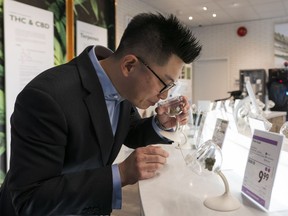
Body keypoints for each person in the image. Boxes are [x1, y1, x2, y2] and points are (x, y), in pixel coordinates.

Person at [0, 12, 201, 215]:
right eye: (164, 83)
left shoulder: (122, 88)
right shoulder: (47, 97)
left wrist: (160, 123)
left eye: (171, 85)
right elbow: (30, 198)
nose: (165, 95)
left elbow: (128, 131)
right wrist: (121, 174)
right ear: (129, 65)